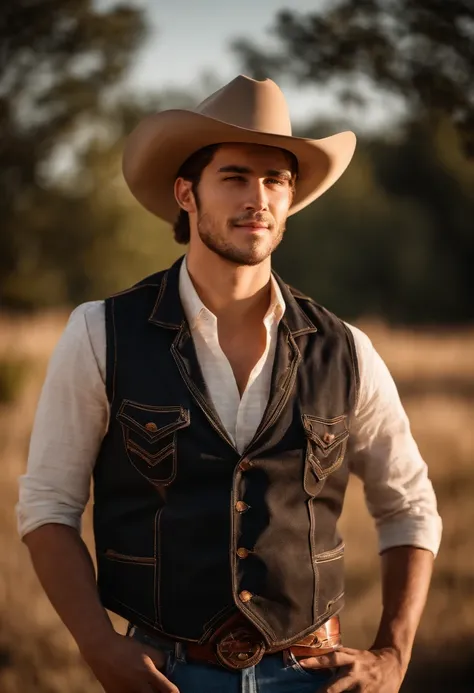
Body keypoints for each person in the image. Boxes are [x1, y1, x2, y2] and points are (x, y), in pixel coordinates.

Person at [17, 75, 442, 693]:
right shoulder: (100, 332)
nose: (259, 199)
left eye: (276, 181)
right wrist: (100, 648)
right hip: (164, 673)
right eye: (236, 177)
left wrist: (393, 655)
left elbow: (410, 506)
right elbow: (48, 508)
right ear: (186, 193)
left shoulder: (346, 349)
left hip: (313, 675)